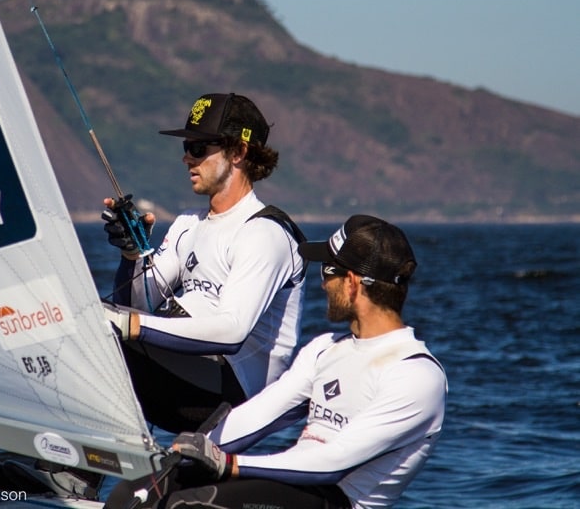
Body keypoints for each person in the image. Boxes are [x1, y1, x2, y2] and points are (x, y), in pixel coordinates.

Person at [104, 214, 447, 509]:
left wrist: (228, 464)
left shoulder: (416, 375)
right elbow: (260, 415)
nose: (323, 283)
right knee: (137, 492)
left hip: (337, 497)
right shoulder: (325, 349)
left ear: (353, 283)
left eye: (328, 272)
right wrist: (183, 455)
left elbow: (332, 463)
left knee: (191, 505)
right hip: (292, 485)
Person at [102, 92, 307, 434]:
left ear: (238, 152)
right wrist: (132, 255)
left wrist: (127, 326)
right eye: (186, 148)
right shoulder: (187, 223)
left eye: (199, 148)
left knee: (101, 329)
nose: (187, 158)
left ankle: (75, 469)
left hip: (233, 396)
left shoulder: (265, 233)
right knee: (80, 319)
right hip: (185, 372)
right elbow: (137, 304)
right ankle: (69, 467)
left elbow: (231, 332)